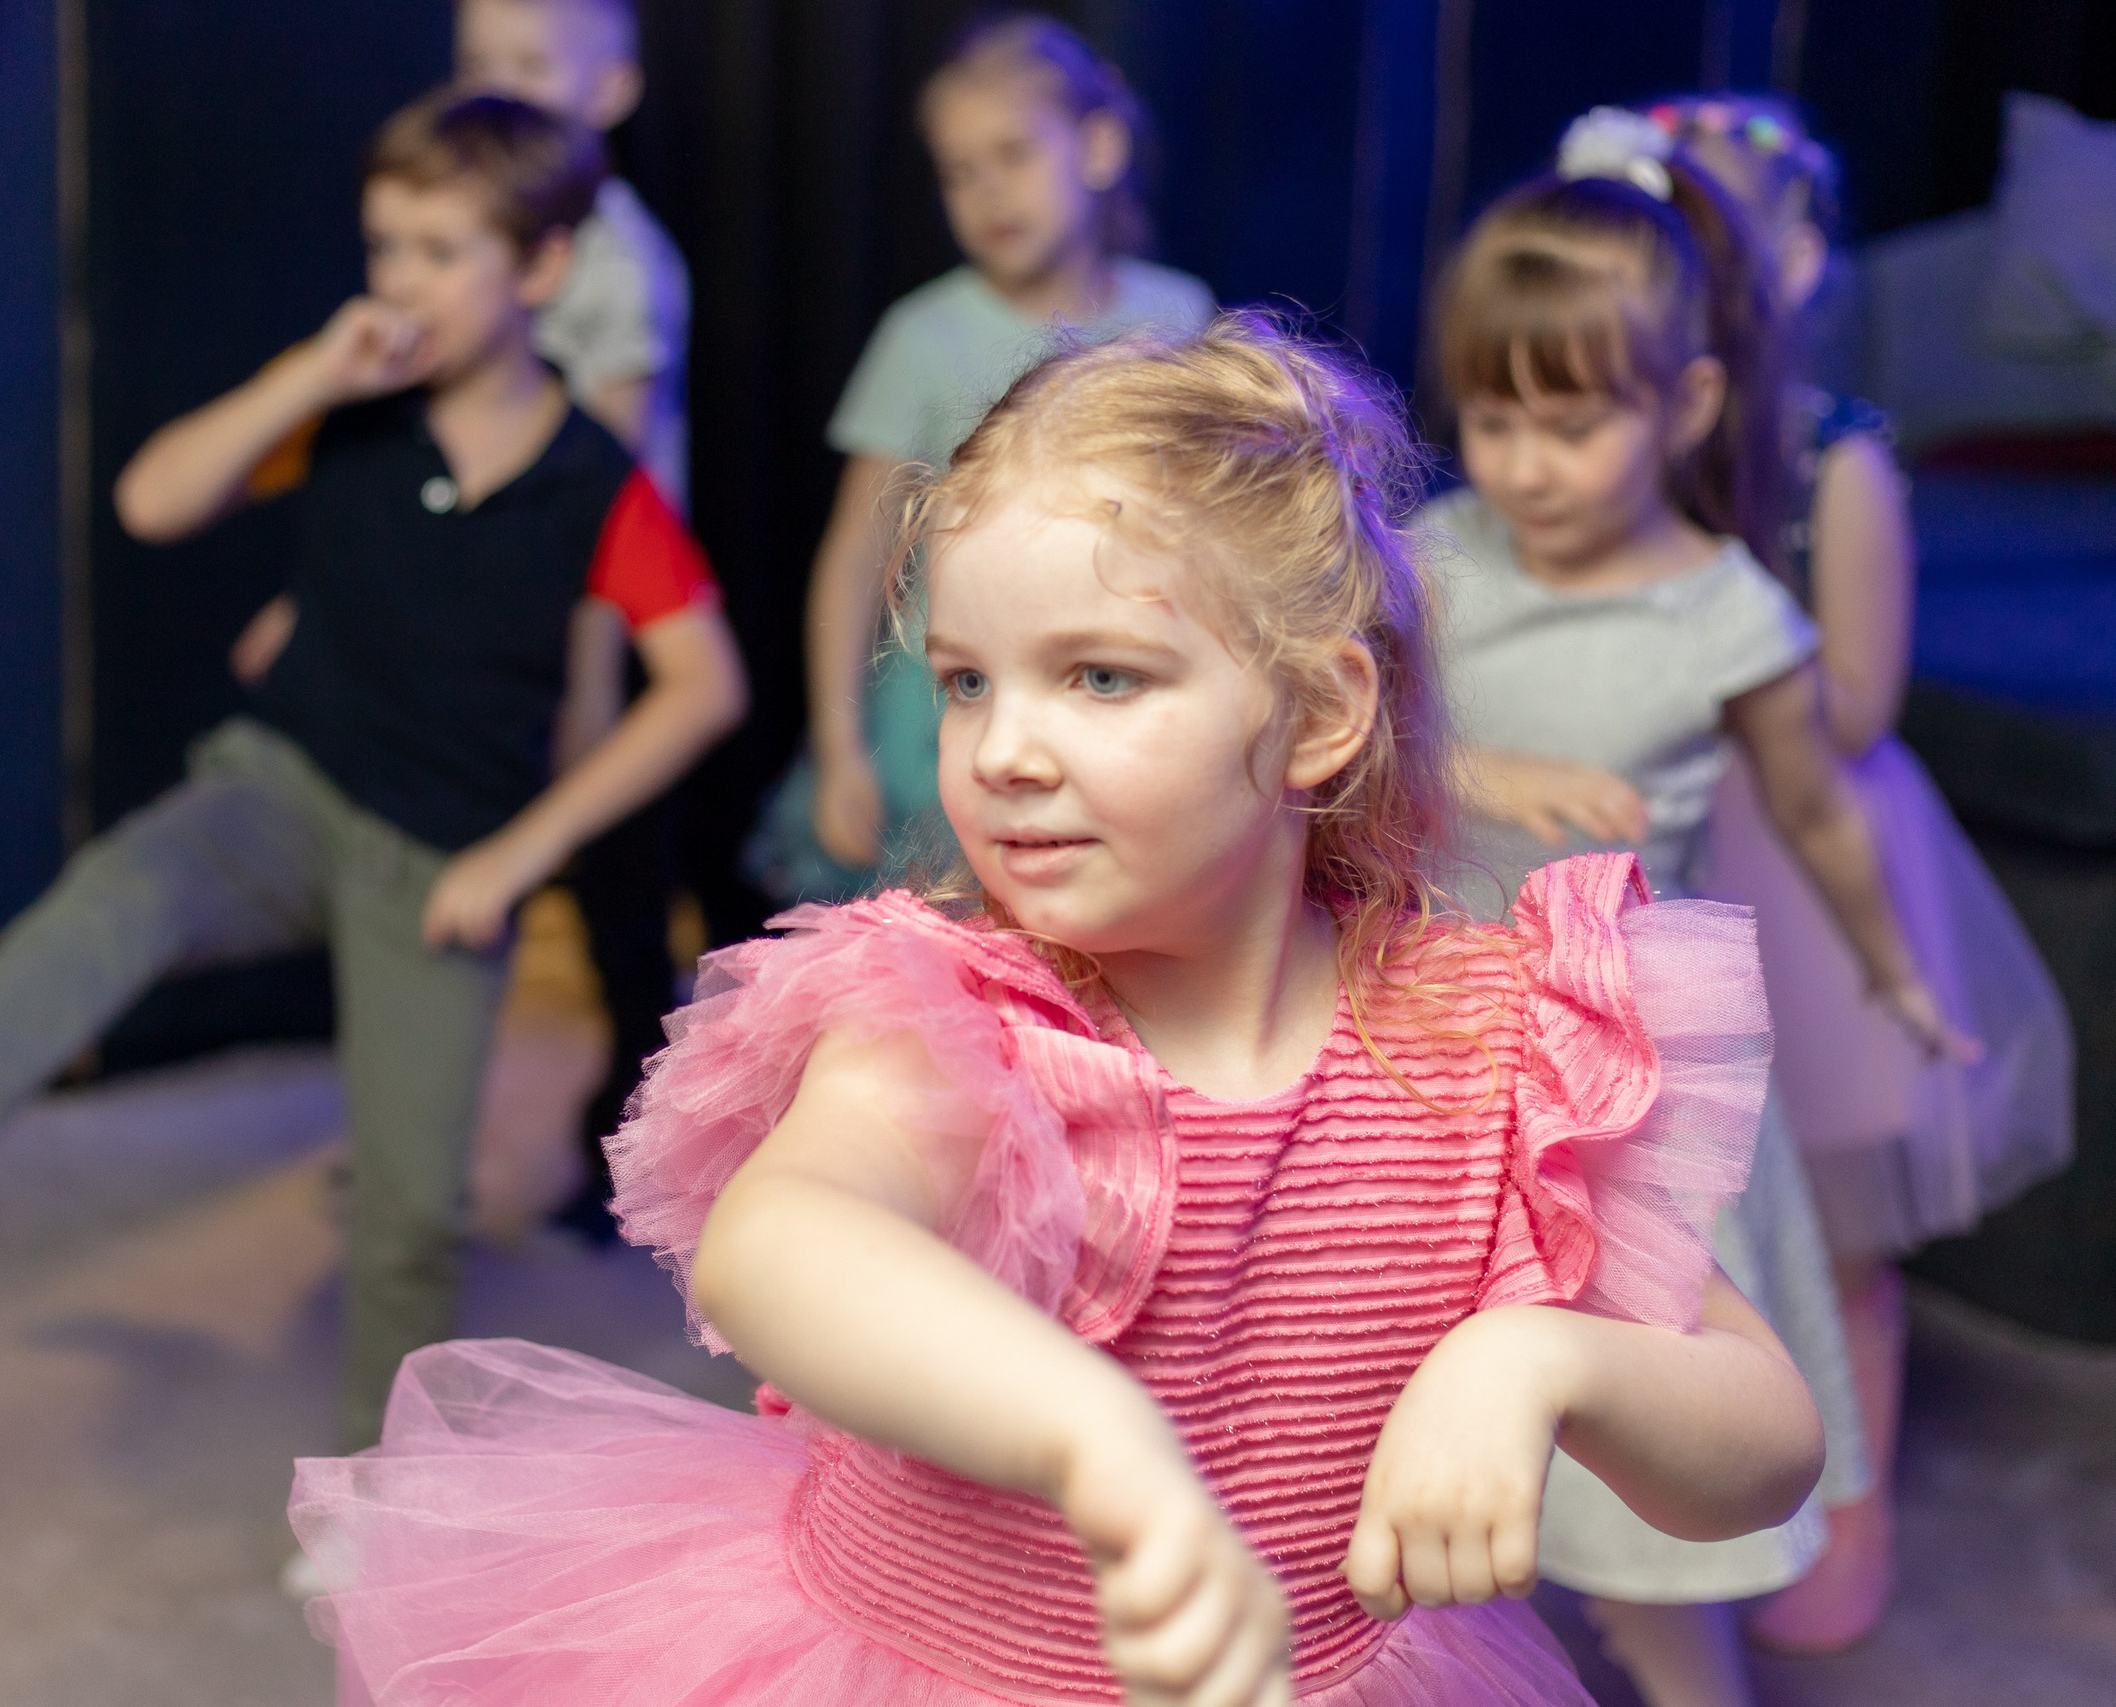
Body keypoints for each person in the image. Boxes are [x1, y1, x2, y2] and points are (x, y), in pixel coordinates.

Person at [287, 317, 1830, 1707]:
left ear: (1322, 715)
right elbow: (778, 1243)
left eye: (1098, 677)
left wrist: (1545, 1359)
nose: (1003, 748)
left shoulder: (1501, 1042)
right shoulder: (950, 1011)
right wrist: (1089, 1434)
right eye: (967, 681)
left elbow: (1764, 1445)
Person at [0, 93, 748, 1459]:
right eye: (386, 246)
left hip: (443, 858)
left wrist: (521, 855)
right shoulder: (346, 405)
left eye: (443, 251)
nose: (403, 282)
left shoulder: (598, 483)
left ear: (540, 271)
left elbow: (707, 685)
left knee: (409, 1205)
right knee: (120, 887)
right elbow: (155, 500)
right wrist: (313, 377)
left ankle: (371, 1483)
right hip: (282, 784)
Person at [1419, 111, 1964, 1707]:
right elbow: (1333, 744)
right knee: (1426, 1449)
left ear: (1690, 401)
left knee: (1636, 1465)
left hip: (1631, 1093)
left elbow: (1814, 812)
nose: (1523, 462)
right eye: (1492, 418)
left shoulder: (1732, 611)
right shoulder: (1436, 562)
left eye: (1571, 422)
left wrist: (1896, 976)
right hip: (1441, 1052)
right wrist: (1488, 763)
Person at [1645, 93, 2075, 1653]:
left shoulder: (1840, 464)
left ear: (1809, 260)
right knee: (1682, 1222)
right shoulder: (1642, 435)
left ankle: (1844, 1520)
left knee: (1831, 1233)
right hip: (1672, 839)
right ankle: (1683, 1516)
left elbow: (1857, 707)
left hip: (1810, 863)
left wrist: (1709, 655)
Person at [232, 0, 698, 1233]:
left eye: (536, 65)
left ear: (611, 91)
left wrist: (589, 691)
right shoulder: (469, 246)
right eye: (483, 63)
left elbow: (594, 494)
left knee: (614, 905)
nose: (507, 85)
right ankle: (407, 1138)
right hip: (492, 622)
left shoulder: (615, 266)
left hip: (602, 629)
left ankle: (636, 1149)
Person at [748, 13, 1214, 904]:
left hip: (1108, 693)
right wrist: (842, 747)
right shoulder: (923, 336)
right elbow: (855, 557)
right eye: (960, 173)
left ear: (1100, 147)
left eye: (1013, 155)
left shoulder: (1177, 317)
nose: (988, 193)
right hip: (938, 727)